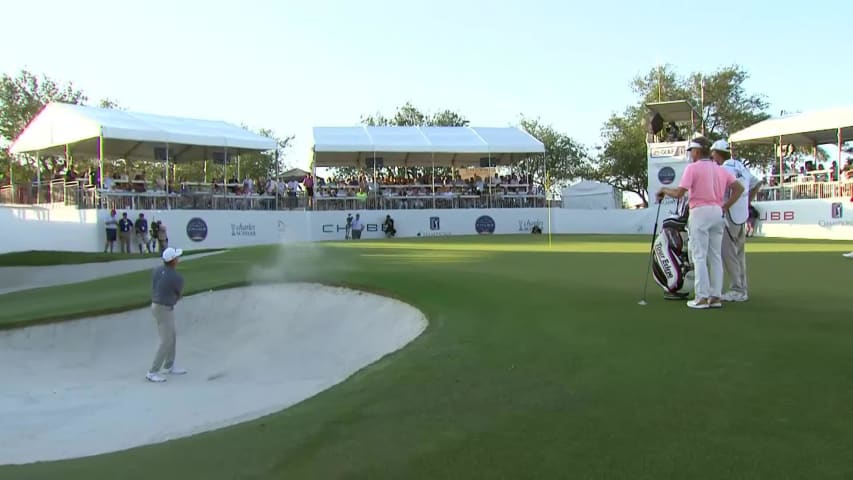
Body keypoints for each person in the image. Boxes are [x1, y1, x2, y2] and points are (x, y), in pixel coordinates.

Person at [656, 136, 744, 309]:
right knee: (715, 256)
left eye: (691, 151)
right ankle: (715, 297)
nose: (690, 155)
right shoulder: (720, 169)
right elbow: (739, 188)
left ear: (696, 151)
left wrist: (663, 190)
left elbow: (679, 193)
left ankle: (702, 298)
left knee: (699, 256)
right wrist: (725, 206)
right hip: (717, 213)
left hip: (700, 213)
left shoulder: (692, 168)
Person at [711, 140, 762, 302]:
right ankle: (742, 288)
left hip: (729, 216)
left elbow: (733, 189)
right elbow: (757, 183)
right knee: (739, 254)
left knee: (728, 254)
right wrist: (746, 202)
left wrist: (726, 205)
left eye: (713, 153)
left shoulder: (723, 169)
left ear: (717, 153)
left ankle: (737, 289)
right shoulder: (741, 166)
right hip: (742, 215)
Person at [146, 247, 187, 383]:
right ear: (173, 261)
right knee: (166, 341)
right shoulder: (177, 278)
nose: (178, 259)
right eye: (177, 257)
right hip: (164, 309)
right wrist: (175, 298)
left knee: (172, 335)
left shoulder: (156, 270)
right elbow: (178, 294)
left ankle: (169, 365)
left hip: (156, 306)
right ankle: (152, 372)